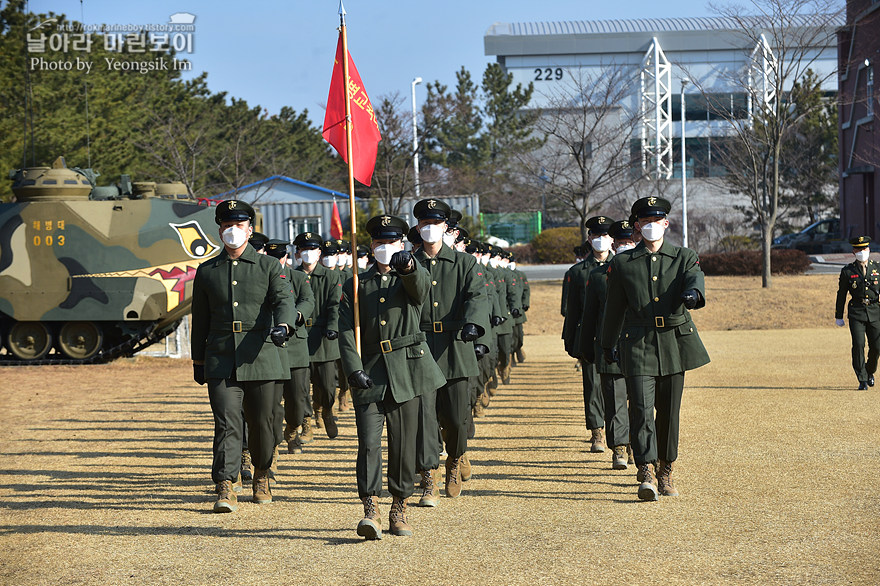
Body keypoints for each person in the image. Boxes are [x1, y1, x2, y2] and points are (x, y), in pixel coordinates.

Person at [339, 214, 446, 539]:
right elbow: (344, 328)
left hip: (408, 371)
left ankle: (398, 507)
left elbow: (420, 289)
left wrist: (408, 267)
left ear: (401, 245)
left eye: (391, 242)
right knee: (369, 444)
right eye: (379, 242)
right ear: (371, 246)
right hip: (369, 373)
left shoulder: (413, 275)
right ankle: (369, 508)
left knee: (402, 445)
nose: (385, 248)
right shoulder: (356, 283)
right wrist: (352, 367)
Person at [601, 196, 710, 501]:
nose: (651, 227)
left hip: (675, 342)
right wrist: (607, 344)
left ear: (666, 223)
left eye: (656, 221)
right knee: (641, 410)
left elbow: (694, 277)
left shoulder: (684, 256)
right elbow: (614, 309)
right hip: (637, 342)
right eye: (645, 223)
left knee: (669, 413)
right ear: (637, 226)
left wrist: (693, 293)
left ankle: (666, 470)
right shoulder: (623, 263)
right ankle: (646, 469)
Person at [191, 200, 297, 513]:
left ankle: (262, 473)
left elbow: (284, 302)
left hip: (262, 355)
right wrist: (199, 362)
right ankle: (225, 484)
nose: (232, 231)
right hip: (221, 358)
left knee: (263, 423)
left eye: (238, 226)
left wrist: (284, 326)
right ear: (219, 230)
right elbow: (200, 321)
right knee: (227, 422)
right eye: (226, 226)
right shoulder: (207, 271)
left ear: (250, 231)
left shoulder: (269, 267)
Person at [411, 198, 490, 505]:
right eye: (425, 224)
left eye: (436, 224)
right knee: (424, 419)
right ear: (418, 227)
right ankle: (428, 474)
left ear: (446, 227)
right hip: (419, 348)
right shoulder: (409, 262)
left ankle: (455, 459)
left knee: (456, 419)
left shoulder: (464, 263)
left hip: (455, 347)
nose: (430, 229)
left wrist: (474, 323)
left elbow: (476, 296)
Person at [581, 220, 635, 470]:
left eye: (629, 242)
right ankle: (620, 448)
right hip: (610, 347)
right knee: (613, 402)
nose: (625, 246)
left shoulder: (644, 271)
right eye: (621, 242)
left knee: (640, 402)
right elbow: (588, 317)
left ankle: (638, 446)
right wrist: (584, 349)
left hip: (639, 347)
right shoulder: (599, 276)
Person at [562, 216, 614, 452]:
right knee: (592, 385)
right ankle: (597, 432)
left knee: (619, 388)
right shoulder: (578, 272)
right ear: (589, 238)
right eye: (596, 235)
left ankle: (622, 435)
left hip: (618, 337)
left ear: (612, 238)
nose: (601, 240)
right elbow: (572, 311)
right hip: (590, 337)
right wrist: (571, 341)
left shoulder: (623, 265)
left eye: (605, 235)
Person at [264, 240, 315, 454]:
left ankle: (293, 427)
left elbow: (308, 301)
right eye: (273, 258)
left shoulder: (299, 278)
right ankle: (272, 446)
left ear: (286, 257)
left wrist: (295, 316)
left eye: (281, 257)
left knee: (297, 397)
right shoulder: (262, 277)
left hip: (295, 346)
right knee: (271, 402)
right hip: (269, 346)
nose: (277, 261)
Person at [294, 232, 342, 439]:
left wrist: (332, 326)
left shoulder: (331, 276)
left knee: (328, 385)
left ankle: (327, 410)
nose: (308, 253)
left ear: (319, 252)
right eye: (303, 250)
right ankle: (306, 422)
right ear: (297, 253)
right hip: (299, 336)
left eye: (312, 249)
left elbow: (334, 304)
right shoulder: (292, 276)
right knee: (300, 386)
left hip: (324, 338)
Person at [835, 236, 880, 390]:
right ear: (853, 251)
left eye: (864, 249)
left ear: (869, 249)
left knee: (877, 346)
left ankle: (869, 371)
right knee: (859, 345)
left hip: (875, 311)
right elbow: (841, 294)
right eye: (859, 249)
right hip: (857, 312)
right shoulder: (848, 271)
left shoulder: (877, 268)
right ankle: (862, 379)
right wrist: (838, 315)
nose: (862, 252)